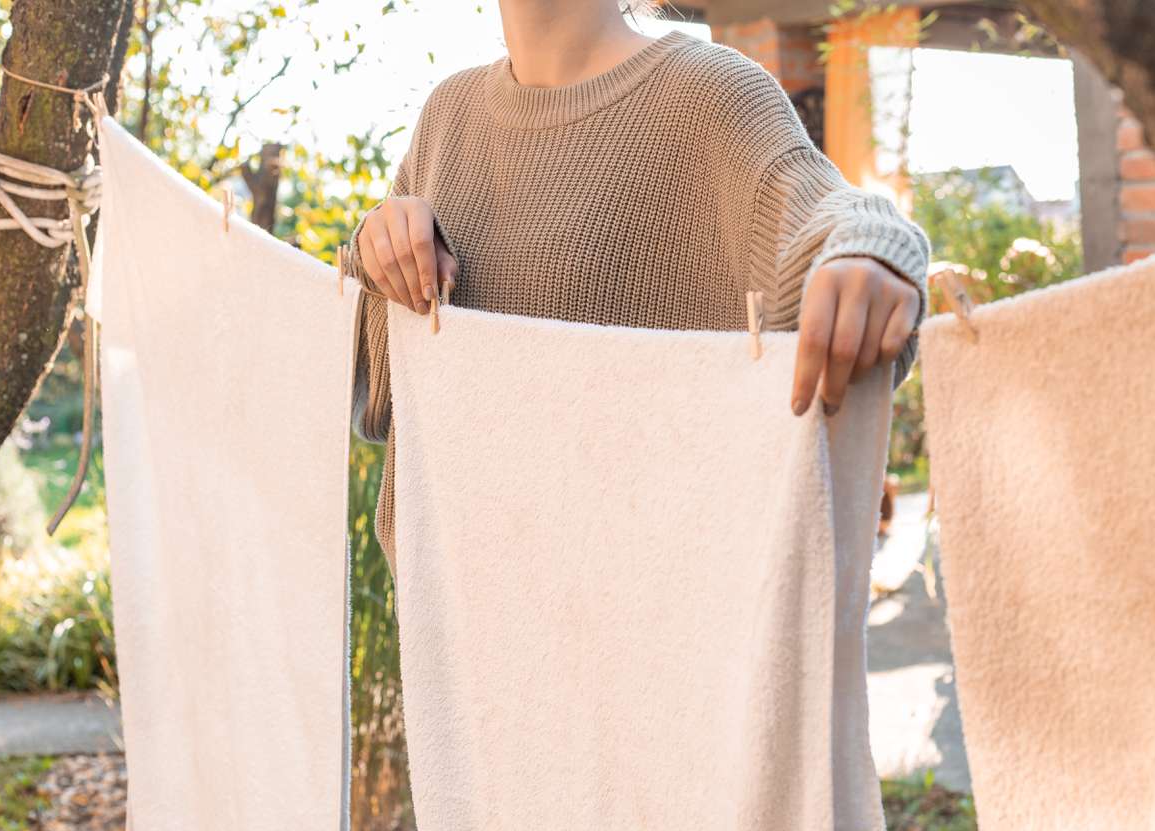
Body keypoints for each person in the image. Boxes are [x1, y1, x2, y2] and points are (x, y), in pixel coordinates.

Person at [350, 0, 931, 564]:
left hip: (652, 618)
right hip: (459, 629)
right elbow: (374, 387)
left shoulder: (709, 92)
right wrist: (375, 254)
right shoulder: (447, 114)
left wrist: (872, 254)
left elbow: (831, 220)